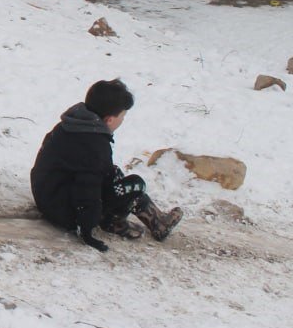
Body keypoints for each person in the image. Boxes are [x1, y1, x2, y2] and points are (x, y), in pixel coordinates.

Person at [30, 78, 182, 251]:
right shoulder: (95, 146)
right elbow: (87, 189)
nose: (123, 120)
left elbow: (89, 174)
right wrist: (87, 230)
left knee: (112, 173)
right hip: (63, 210)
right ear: (110, 119)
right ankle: (121, 221)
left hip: (48, 194)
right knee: (134, 185)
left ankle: (139, 221)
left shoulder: (72, 125)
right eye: (122, 116)